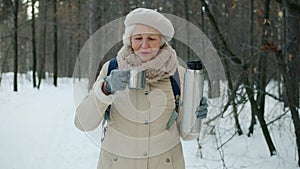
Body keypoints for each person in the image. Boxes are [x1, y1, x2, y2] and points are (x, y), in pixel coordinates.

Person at [74, 8, 208, 169]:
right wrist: (105, 89)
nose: (144, 45)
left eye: (151, 38)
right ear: (129, 40)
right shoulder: (111, 69)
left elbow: (187, 135)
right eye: (138, 38)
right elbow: (83, 123)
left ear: (162, 41)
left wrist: (196, 116)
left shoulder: (178, 74)